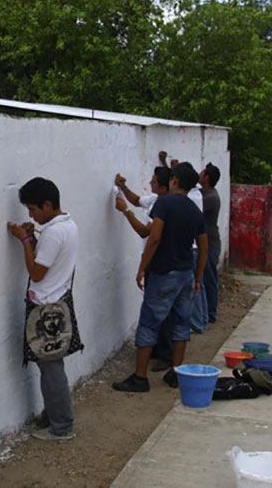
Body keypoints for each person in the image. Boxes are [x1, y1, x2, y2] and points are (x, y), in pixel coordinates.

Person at [112, 162, 207, 392]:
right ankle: (176, 372)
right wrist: (197, 277)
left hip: (164, 272)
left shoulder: (164, 204)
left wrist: (142, 267)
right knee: (180, 323)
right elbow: (204, 246)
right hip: (185, 272)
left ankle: (140, 376)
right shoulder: (194, 209)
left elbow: (153, 237)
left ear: (174, 180)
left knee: (149, 323)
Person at [7, 177, 80, 441]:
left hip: (46, 305)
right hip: (58, 299)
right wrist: (32, 239)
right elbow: (46, 261)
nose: (31, 215)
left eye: (34, 209)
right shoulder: (68, 225)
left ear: (48, 204)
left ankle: (61, 427)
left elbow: (37, 272)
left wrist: (25, 239)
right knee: (50, 366)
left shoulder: (53, 232)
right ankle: (53, 416)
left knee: (51, 369)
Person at [114, 167, 174, 371]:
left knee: (159, 310)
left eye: (154, 181)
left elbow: (145, 232)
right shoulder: (156, 200)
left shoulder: (164, 206)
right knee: (158, 308)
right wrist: (123, 187)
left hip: (157, 261)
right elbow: (138, 200)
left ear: (164, 187)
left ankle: (165, 354)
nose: (150, 182)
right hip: (156, 261)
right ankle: (158, 349)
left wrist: (125, 212)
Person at [199, 162, 221, 324]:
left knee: (209, 279)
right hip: (207, 242)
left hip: (210, 244)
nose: (199, 174)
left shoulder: (210, 198)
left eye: (202, 172)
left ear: (207, 178)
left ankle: (211, 313)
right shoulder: (205, 193)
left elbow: (188, 201)